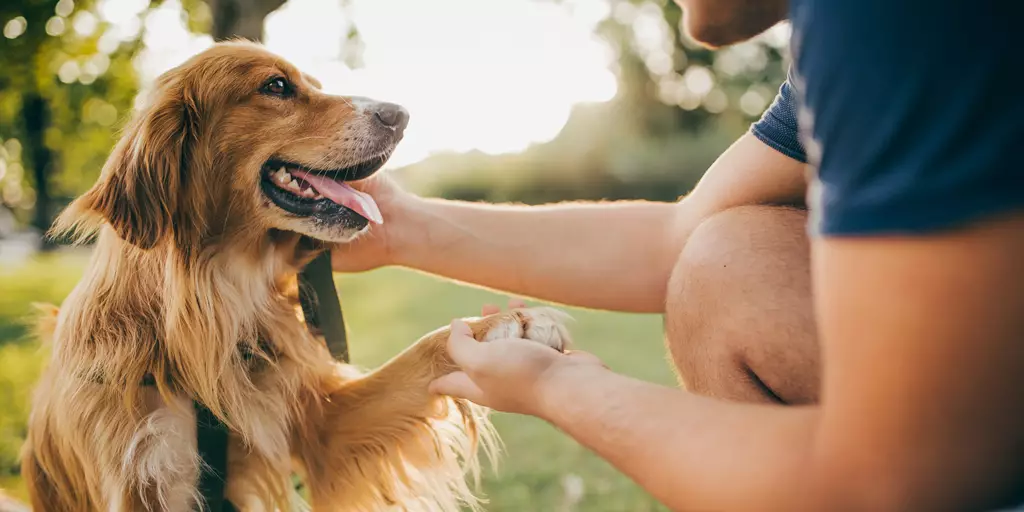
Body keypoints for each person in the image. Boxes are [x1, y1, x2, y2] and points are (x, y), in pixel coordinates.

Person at [334, 0, 1024, 508]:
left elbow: (893, 472)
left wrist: (560, 387)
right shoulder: (839, 36)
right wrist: (403, 226)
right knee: (731, 262)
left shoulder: (894, 21)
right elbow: (679, 238)